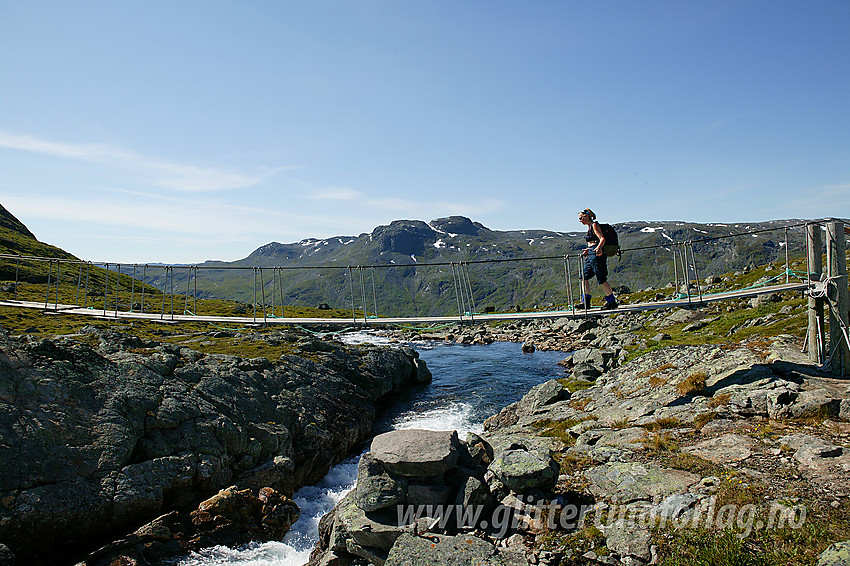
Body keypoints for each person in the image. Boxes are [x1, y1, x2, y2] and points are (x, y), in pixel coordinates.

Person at [575, 208, 618, 310]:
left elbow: (602, 239)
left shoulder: (594, 225)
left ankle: (611, 301)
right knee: (583, 277)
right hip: (592, 252)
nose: (580, 220)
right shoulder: (589, 227)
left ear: (586, 217)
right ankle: (586, 302)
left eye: (581, 218)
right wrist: (588, 250)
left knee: (601, 278)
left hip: (596, 254)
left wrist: (598, 248)